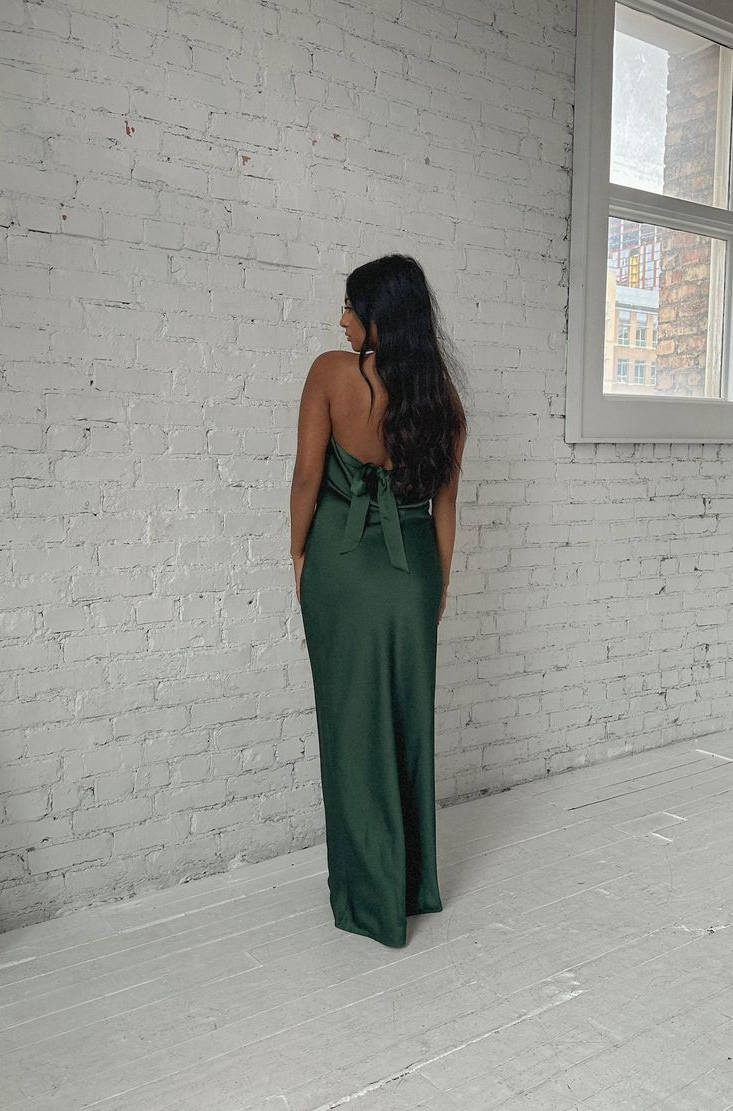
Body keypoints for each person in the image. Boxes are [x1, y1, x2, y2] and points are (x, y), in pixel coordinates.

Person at [290, 254, 468, 948]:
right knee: (406, 725)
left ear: (377, 316)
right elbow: (446, 507)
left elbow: (308, 476)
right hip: (414, 572)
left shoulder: (331, 375)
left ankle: (370, 898)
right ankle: (413, 883)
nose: (339, 320)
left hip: (343, 567)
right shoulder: (442, 398)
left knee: (350, 729)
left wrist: (296, 553)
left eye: (349, 306)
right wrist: (439, 586)